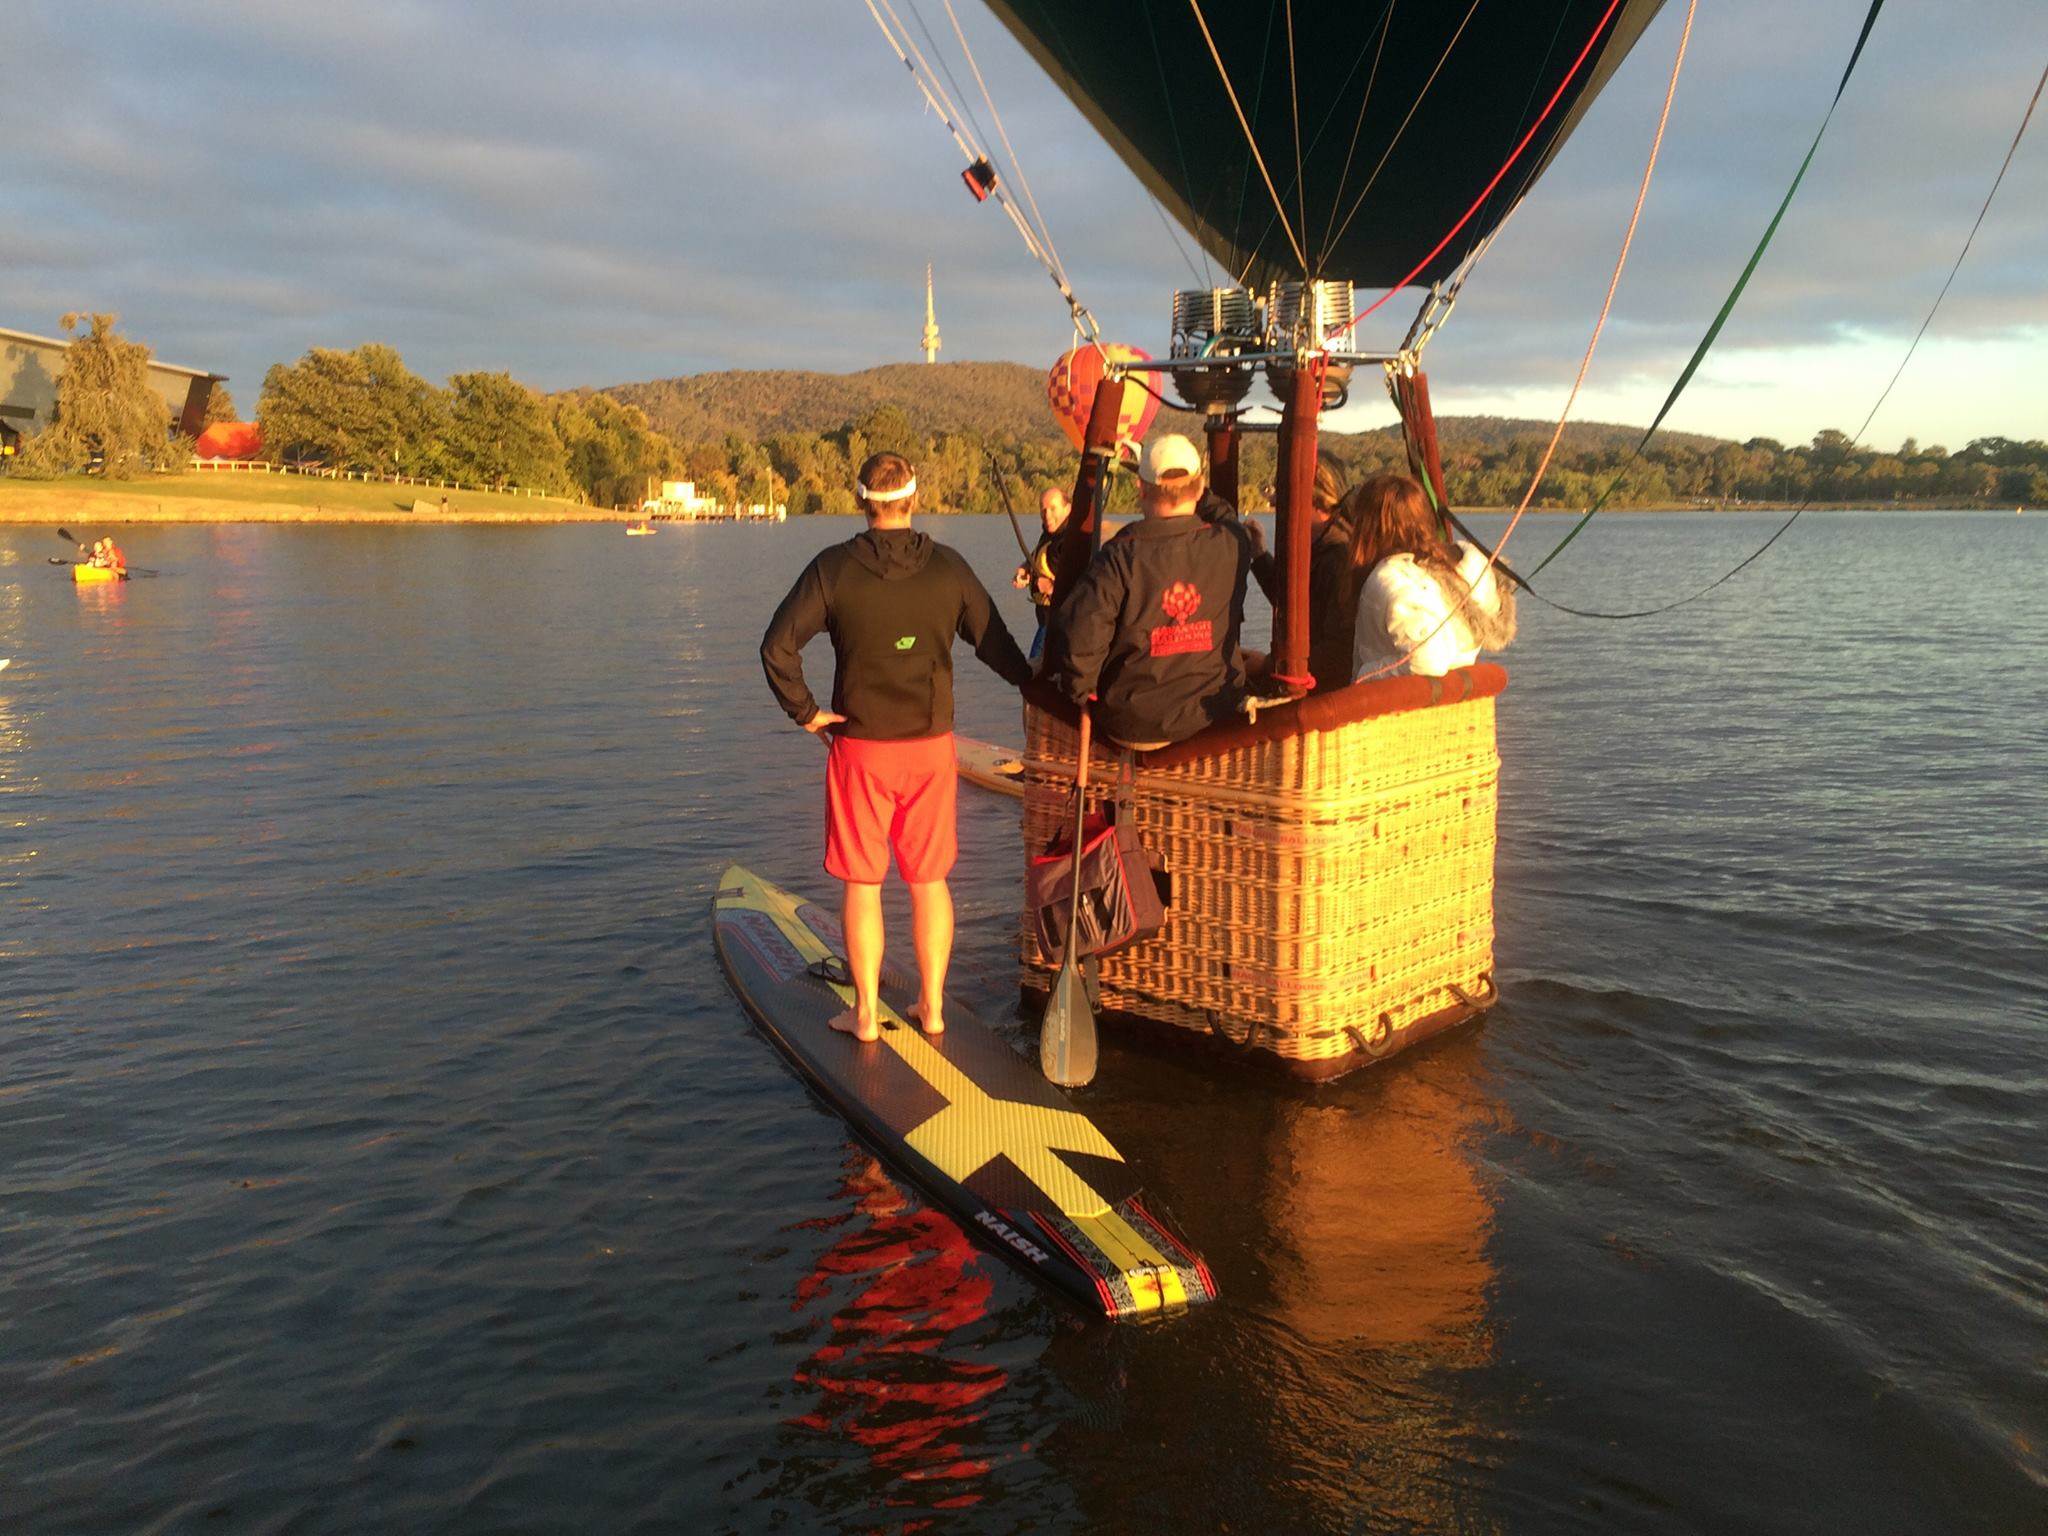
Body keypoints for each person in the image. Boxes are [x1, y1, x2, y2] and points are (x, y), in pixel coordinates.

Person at [760, 451, 1032, 1043]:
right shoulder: (949, 569)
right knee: (928, 882)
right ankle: (931, 1009)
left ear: (862, 501)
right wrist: (1049, 688)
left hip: (861, 749)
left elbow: (777, 648)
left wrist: (807, 714)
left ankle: (863, 1016)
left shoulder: (831, 569)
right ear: (914, 498)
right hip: (932, 750)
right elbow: (999, 648)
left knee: (863, 884)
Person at [1045, 433, 1255, 750]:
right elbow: (1225, 514)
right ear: (1199, 489)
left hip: (1132, 725)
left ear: (1140, 489)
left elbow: (1079, 643)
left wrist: (1079, 692)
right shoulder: (1233, 543)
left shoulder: (1118, 558)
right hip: (1212, 716)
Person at [1346, 472, 1515, 680]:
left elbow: (1428, 660)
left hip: (1400, 709)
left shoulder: (1394, 579)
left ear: (1368, 525)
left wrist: (1364, 674)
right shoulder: (1468, 566)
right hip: (1457, 707)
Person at [1011, 486, 1069, 659]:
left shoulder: (1070, 541)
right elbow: (1040, 559)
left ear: (1068, 509)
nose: (1047, 515)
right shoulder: (1049, 534)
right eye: (1043, 510)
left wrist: (1051, 587)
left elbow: (1081, 583)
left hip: (1057, 625)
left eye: (1053, 508)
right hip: (1045, 621)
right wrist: (1026, 569)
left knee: (1033, 676)